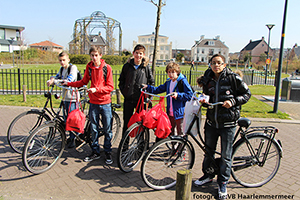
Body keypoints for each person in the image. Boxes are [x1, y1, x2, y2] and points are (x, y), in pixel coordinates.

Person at [194, 54, 251, 199]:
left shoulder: (232, 78)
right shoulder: (208, 77)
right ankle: (208, 174)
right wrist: (203, 99)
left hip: (228, 124)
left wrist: (233, 101)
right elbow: (207, 94)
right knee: (209, 151)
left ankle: (223, 181)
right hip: (212, 122)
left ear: (224, 65)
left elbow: (247, 94)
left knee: (226, 155)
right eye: (213, 63)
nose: (216, 65)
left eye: (219, 63)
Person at [63, 46, 114, 165]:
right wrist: (69, 83)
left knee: (107, 130)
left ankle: (108, 152)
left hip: (105, 103)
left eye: (96, 55)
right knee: (94, 129)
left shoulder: (107, 68)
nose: (94, 58)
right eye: (92, 55)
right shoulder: (89, 67)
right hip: (93, 103)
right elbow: (83, 82)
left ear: (101, 56)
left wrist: (97, 89)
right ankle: (95, 152)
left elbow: (110, 87)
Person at [142, 62, 193, 137]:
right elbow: (158, 89)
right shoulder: (169, 82)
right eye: (169, 72)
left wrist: (178, 95)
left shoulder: (182, 81)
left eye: (173, 72)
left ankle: (182, 148)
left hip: (180, 113)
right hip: (170, 112)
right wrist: (148, 87)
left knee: (181, 132)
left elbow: (190, 95)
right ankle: (173, 148)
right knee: (171, 132)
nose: (171, 74)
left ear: (177, 72)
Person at [118, 44, 155, 138]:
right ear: (133, 53)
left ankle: (140, 148)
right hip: (129, 99)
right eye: (137, 53)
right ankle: (124, 147)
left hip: (141, 100)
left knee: (141, 124)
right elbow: (121, 81)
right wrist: (125, 92)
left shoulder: (146, 67)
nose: (138, 56)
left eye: (140, 53)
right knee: (126, 123)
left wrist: (148, 95)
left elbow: (151, 82)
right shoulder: (127, 66)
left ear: (143, 55)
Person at [46, 51, 79, 148]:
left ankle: (73, 138)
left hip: (73, 97)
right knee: (66, 118)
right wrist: (52, 80)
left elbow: (69, 80)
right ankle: (69, 136)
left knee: (72, 120)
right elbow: (56, 77)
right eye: (60, 60)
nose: (62, 62)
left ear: (68, 60)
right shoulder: (61, 69)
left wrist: (55, 81)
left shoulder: (72, 68)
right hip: (65, 97)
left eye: (64, 60)